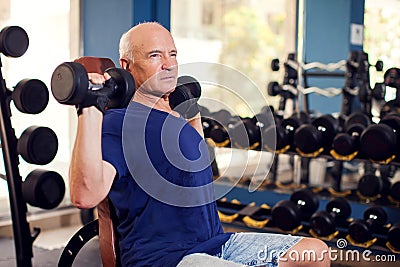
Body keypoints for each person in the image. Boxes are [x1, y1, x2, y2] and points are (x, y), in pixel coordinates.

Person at [69, 22, 330, 267]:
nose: (169, 65)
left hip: (217, 244)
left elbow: (197, 169)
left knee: (315, 252)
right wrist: (91, 106)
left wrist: (192, 116)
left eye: (173, 55)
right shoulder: (117, 124)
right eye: (155, 56)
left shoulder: (176, 114)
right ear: (127, 66)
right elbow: (85, 195)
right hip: (167, 257)